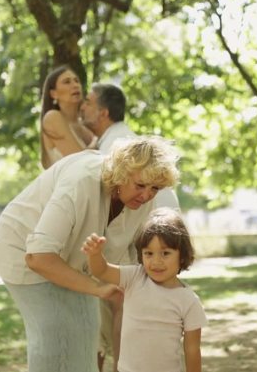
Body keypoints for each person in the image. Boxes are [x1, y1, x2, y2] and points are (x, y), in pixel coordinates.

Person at [0, 136, 180, 372]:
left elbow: (131, 261)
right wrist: (97, 288)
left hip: (71, 260)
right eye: (140, 185)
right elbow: (38, 257)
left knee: (86, 332)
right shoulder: (81, 181)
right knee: (56, 333)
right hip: (23, 250)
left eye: (155, 189)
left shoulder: (141, 204)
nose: (146, 196)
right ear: (122, 175)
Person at [79, 82, 181, 371]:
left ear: (103, 112)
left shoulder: (117, 149)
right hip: (150, 242)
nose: (82, 107)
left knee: (121, 315)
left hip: (148, 243)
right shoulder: (116, 141)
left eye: (88, 101)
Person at [81, 207, 207, 372]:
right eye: (149, 253)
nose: (156, 261)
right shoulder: (134, 277)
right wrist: (95, 255)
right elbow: (102, 271)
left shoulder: (189, 301)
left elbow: (192, 350)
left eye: (165, 253)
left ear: (182, 255)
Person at [39, 65, 96, 169]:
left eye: (76, 81)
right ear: (53, 94)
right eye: (67, 82)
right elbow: (81, 162)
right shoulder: (52, 117)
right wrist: (97, 142)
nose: (75, 85)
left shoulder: (86, 125)